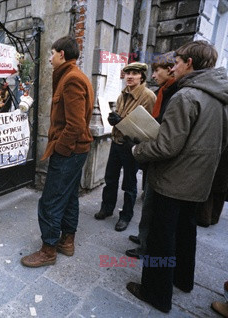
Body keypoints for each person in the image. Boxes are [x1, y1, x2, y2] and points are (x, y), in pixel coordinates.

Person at [126, 40, 228, 313]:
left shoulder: (186, 96)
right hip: (199, 181)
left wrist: (138, 149)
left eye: (177, 63)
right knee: (186, 232)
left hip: (173, 181)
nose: (174, 68)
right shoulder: (220, 97)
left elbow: (166, 146)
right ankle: (183, 280)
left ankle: (155, 293)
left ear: (189, 63)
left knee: (161, 240)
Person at [21, 36, 94, 267]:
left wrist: (61, 149)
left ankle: (48, 250)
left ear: (62, 54)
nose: (50, 58)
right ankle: (67, 242)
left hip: (69, 151)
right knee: (69, 194)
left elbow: (75, 125)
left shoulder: (71, 79)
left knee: (51, 200)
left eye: (52, 53)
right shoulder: (75, 76)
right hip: (76, 150)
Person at [126, 52, 177, 258]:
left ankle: (146, 244)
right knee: (148, 201)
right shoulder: (164, 91)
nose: (155, 75)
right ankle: (143, 236)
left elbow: (166, 133)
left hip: (156, 154)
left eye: (157, 70)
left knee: (151, 204)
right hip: (148, 151)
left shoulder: (168, 94)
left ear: (170, 69)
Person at [94, 62, 156, 232]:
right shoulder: (122, 95)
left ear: (141, 77)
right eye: (127, 73)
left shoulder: (148, 96)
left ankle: (125, 216)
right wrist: (114, 119)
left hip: (132, 145)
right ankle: (107, 208)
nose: (129, 76)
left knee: (129, 183)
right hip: (117, 141)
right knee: (110, 178)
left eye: (134, 73)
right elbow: (120, 118)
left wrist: (121, 121)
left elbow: (146, 126)